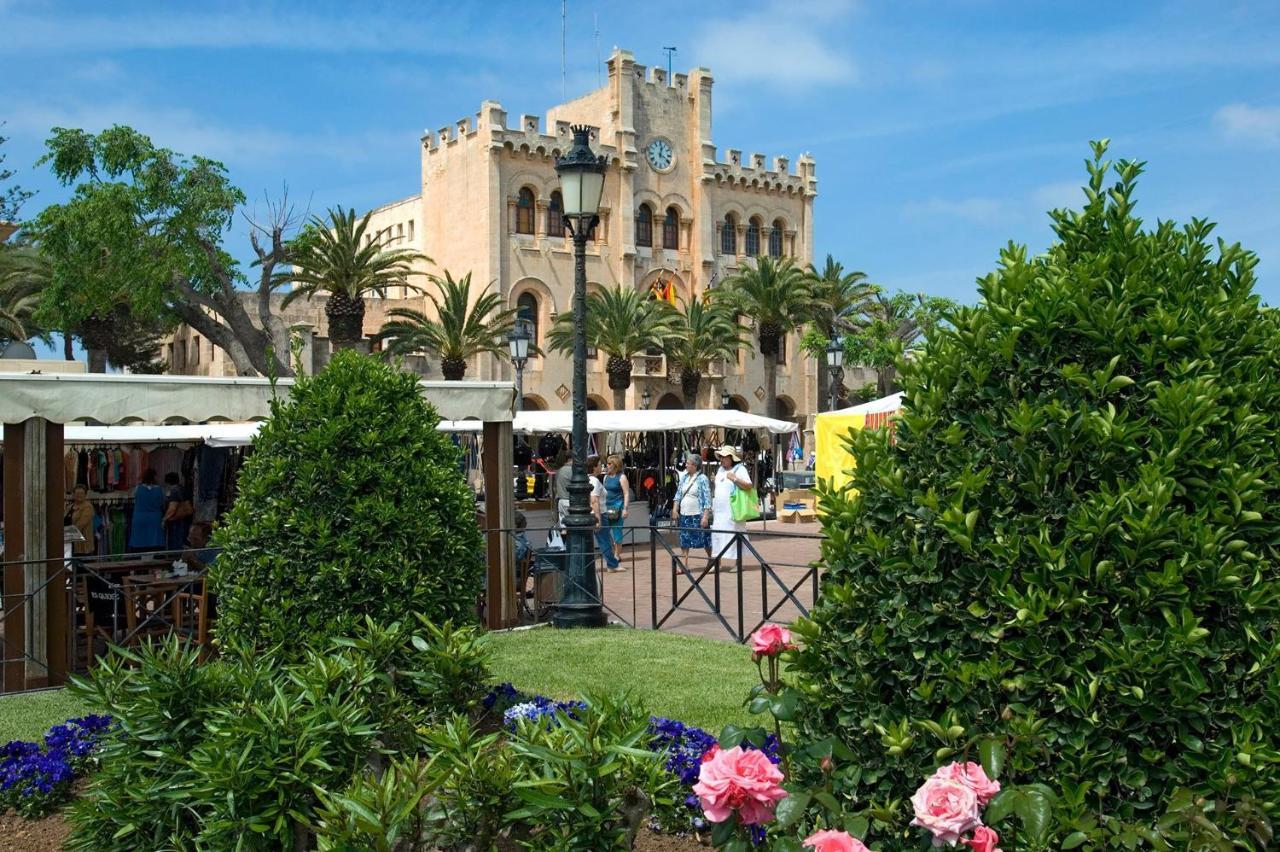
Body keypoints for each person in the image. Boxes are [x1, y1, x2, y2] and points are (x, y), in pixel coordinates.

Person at [710, 445, 752, 570]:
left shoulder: (740, 469)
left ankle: (738, 563)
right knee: (717, 534)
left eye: (724, 457)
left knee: (735, 534)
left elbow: (748, 486)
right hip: (719, 511)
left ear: (731, 458)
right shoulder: (720, 470)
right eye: (720, 457)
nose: (721, 459)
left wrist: (735, 479)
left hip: (733, 510)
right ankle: (717, 563)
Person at [673, 453, 712, 567]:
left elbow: (707, 498)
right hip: (684, 514)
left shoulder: (702, 478)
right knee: (684, 540)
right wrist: (675, 509)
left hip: (697, 514)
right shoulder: (684, 478)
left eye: (688, 463)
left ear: (695, 466)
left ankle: (712, 559)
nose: (686, 465)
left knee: (704, 539)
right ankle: (684, 564)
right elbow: (678, 495)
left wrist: (705, 516)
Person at [587, 455, 618, 571]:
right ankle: (612, 565)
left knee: (606, 539)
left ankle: (612, 563)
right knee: (604, 540)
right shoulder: (594, 481)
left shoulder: (590, 479)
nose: (602, 467)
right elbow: (594, 500)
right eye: (600, 465)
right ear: (594, 467)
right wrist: (598, 518)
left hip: (599, 512)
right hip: (599, 513)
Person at [600, 454, 630, 572]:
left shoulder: (622, 477)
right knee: (606, 532)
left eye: (609, 463)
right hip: (606, 507)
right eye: (607, 463)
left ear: (615, 465)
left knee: (617, 533)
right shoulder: (606, 477)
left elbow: (626, 493)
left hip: (617, 507)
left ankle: (617, 555)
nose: (607, 466)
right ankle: (612, 555)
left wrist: (625, 508)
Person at [128, 468, 166, 553]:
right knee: (154, 541)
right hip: (154, 518)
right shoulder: (159, 489)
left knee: (139, 541)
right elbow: (162, 503)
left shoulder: (137, 488)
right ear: (154, 477)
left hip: (140, 517)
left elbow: (134, 499)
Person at [162, 472, 192, 553]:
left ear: (168, 482)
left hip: (177, 520)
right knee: (183, 541)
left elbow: (172, 509)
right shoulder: (183, 489)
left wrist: (164, 519)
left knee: (176, 543)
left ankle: (176, 557)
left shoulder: (174, 491)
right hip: (185, 518)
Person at [66, 484, 96, 557]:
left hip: (83, 546)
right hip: (69, 544)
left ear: (85, 495)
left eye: (82, 493)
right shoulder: (69, 507)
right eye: (77, 493)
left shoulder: (88, 507)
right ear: (73, 495)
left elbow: (80, 525)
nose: (79, 495)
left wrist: (64, 535)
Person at [552, 449, 572, 528]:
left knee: (563, 527)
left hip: (560, 501)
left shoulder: (559, 470)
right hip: (569, 501)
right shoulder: (572, 471)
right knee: (572, 526)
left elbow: (554, 487)